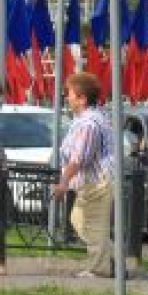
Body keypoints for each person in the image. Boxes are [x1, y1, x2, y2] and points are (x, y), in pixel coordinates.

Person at [51, 72, 116, 279]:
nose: (66, 97)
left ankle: (100, 269)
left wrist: (63, 183)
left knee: (92, 226)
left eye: (69, 93)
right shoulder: (90, 119)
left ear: (82, 98)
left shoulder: (88, 124)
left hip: (96, 183)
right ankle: (109, 259)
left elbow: (78, 159)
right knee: (79, 220)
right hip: (93, 183)